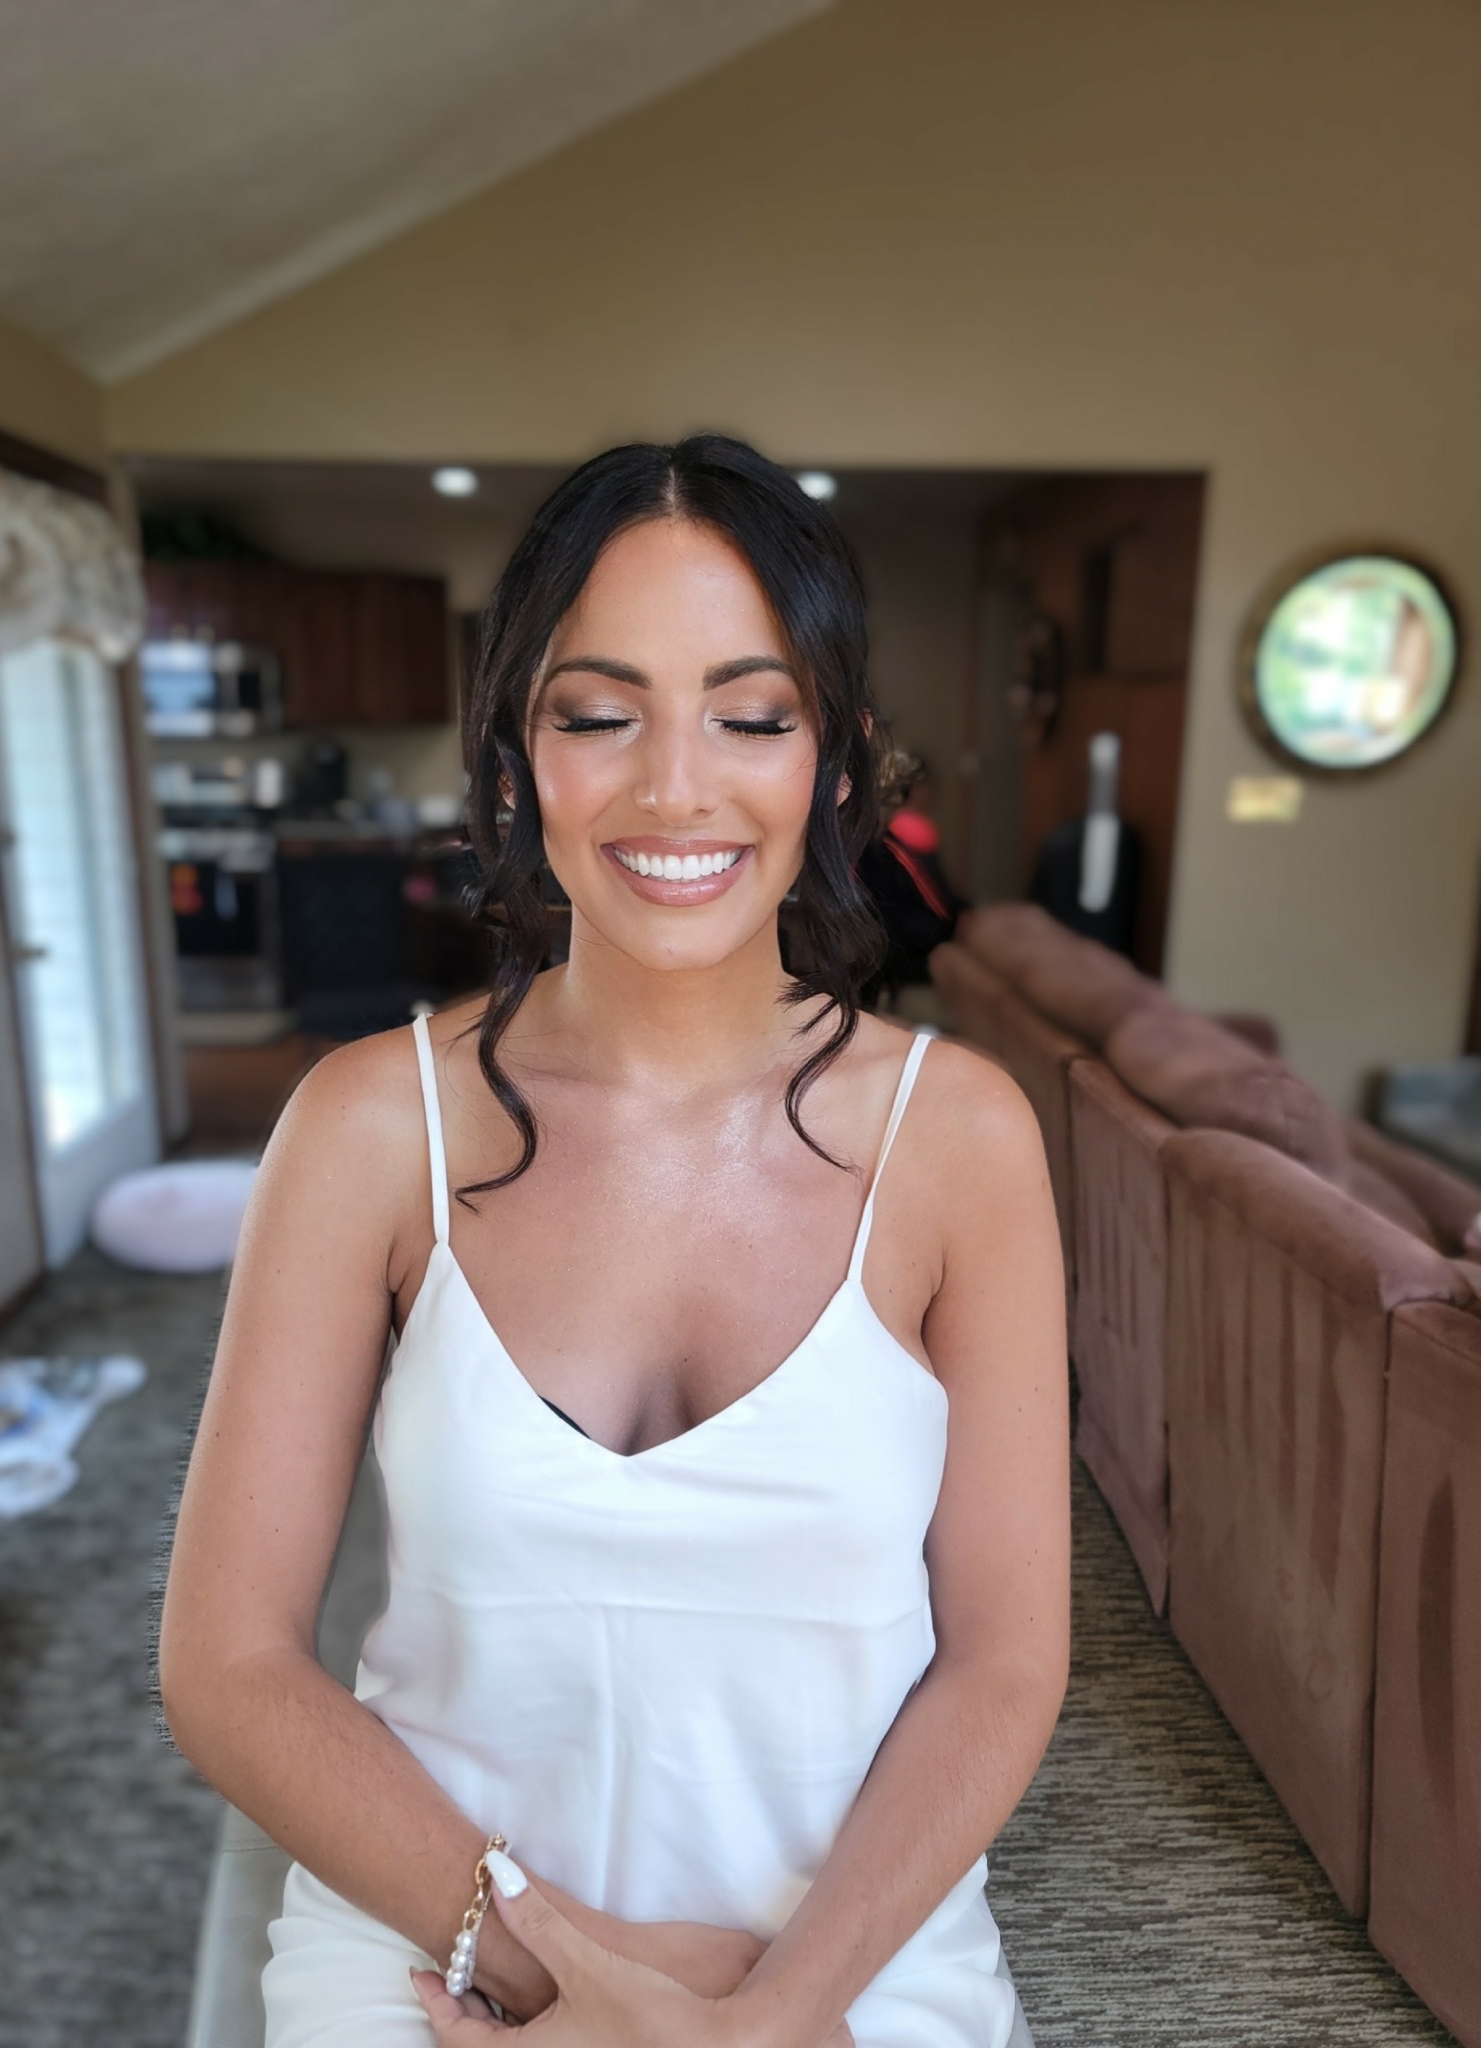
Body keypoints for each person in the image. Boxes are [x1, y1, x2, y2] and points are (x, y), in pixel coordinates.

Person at [160, 435, 1070, 2048]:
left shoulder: (965, 1141)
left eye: (751, 714)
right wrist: (558, 1972)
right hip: (439, 1935)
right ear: (516, 760)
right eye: (599, 714)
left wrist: (767, 2017)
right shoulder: (366, 1128)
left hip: (845, 1956)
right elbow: (227, 1662)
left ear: (838, 766)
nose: (673, 786)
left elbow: (1004, 1661)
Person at [855, 751, 966, 1005]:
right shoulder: (905, 832)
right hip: (899, 948)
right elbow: (932, 900)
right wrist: (955, 928)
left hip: (893, 942)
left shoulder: (882, 838)